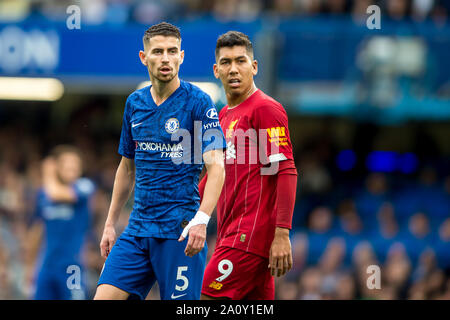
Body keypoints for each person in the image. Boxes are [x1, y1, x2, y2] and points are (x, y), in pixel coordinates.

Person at [94, 22, 226, 300]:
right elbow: (126, 168)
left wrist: (201, 220)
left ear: (181, 56)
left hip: (179, 232)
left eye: (172, 51)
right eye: (158, 52)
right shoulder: (134, 103)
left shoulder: (200, 102)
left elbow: (216, 167)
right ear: (144, 57)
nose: (165, 58)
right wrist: (110, 222)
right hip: (137, 229)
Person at [200, 31, 298, 300]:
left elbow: (285, 170)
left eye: (241, 61)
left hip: (246, 239)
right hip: (231, 235)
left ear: (254, 67)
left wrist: (282, 235)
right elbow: (212, 177)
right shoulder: (223, 115)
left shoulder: (265, 108)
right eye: (226, 62)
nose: (234, 69)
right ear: (216, 70)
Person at [29, 145, 95, 300]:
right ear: (58, 167)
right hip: (46, 266)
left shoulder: (84, 186)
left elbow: (56, 194)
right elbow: (38, 229)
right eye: (67, 164)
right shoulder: (43, 195)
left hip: (72, 266)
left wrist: (47, 172)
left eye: (75, 165)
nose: (71, 168)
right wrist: (31, 265)